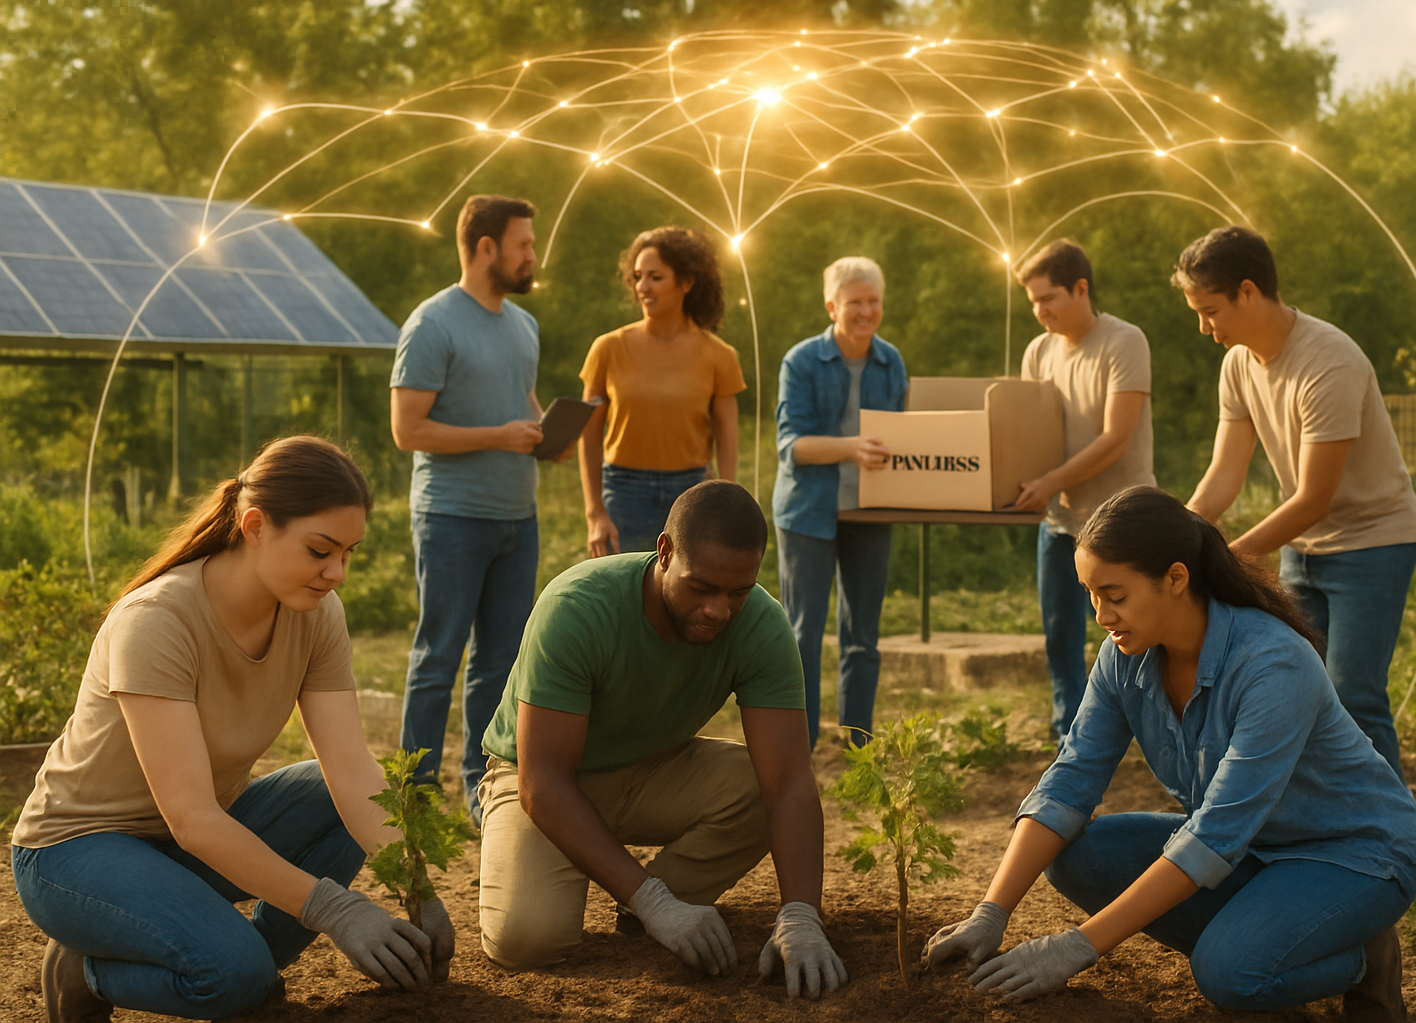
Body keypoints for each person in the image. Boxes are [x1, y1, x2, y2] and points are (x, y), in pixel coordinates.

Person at [925, 486, 1416, 1022]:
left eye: (1115, 595)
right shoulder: (1124, 656)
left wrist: (1076, 946)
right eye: (1091, 594)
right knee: (1078, 857)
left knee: (1229, 975)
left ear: (1176, 578)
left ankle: (1361, 961)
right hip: (1252, 850)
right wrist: (991, 912)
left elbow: (1215, 833)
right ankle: (1268, 937)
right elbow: (1071, 778)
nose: (1101, 615)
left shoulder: (1273, 663)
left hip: (1353, 856)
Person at [10, 437, 455, 1022]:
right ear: (255, 526)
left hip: (185, 845)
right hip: (76, 853)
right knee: (233, 974)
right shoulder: (157, 620)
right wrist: (336, 909)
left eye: (348, 553)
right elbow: (192, 817)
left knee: (338, 798)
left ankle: (248, 968)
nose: (337, 573)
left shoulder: (317, 615)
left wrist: (416, 886)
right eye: (320, 550)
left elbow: (351, 770)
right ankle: (87, 973)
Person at [476, 480, 845, 998]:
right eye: (702, 587)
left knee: (760, 786)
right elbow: (543, 781)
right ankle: (645, 898)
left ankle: (645, 905)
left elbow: (788, 782)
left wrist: (801, 914)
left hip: (652, 769)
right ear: (665, 552)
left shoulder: (761, 624)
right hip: (541, 779)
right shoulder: (578, 606)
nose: (719, 609)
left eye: (738, 591)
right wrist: (655, 901)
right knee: (526, 940)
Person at [1176, 225, 1416, 778]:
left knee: (1354, 694)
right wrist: (1176, 535)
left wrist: (1223, 560)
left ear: (1248, 291)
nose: (1204, 328)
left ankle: (1387, 823)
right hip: (1302, 550)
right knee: (1298, 691)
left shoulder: (1329, 360)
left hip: (1374, 543)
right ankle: (1321, 817)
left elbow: (1314, 498)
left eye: (1210, 311)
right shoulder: (1238, 365)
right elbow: (1223, 476)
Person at [391, 194, 547, 826]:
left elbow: (523, 401)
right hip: (451, 517)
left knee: (499, 664)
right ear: (486, 247)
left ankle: (484, 792)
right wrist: (499, 436)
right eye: (523, 244)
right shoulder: (432, 324)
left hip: (518, 517)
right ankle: (416, 797)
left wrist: (546, 432)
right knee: (438, 658)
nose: (532, 255)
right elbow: (407, 429)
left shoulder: (524, 324)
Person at [1009, 239, 1155, 742]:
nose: (1040, 310)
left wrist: (1049, 481)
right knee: (1060, 636)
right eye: (1033, 301)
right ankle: (1069, 737)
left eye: (1048, 298)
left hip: (1122, 523)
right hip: (1060, 522)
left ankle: (1146, 731)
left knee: (1134, 634)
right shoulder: (1038, 351)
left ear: (1081, 288)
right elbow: (1027, 433)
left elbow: (1116, 439)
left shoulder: (1124, 341)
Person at [772, 256, 907, 748]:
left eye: (874, 301)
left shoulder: (891, 361)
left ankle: (858, 746)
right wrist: (851, 448)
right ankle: (800, 746)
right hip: (807, 510)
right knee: (802, 635)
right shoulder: (801, 361)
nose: (866, 311)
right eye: (855, 302)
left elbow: (904, 436)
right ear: (832, 306)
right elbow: (791, 446)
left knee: (863, 637)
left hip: (870, 510)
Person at [579, 226, 746, 557]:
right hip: (624, 493)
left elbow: (727, 434)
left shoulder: (720, 355)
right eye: (638, 277)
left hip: (691, 492)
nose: (642, 287)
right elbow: (589, 432)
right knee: (627, 586)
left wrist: (726, 503)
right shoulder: (607, 348)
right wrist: (594, 512)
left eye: (655, 277)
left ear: (686, 282)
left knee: (689, 586)